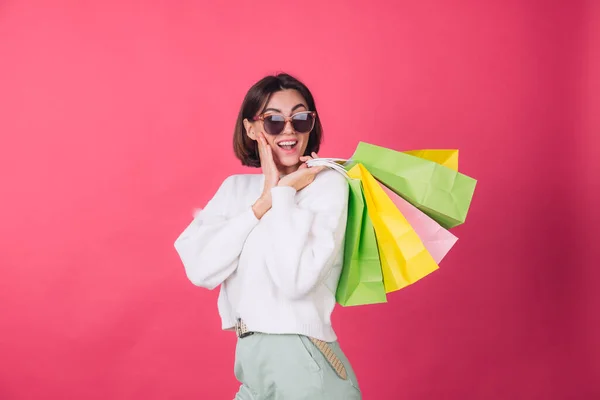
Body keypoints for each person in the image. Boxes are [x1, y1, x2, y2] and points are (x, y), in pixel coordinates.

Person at [174, 73, 361, 399]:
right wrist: (263, 201)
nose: (289, 130)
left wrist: (286, 193)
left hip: (304, 361)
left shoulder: (328, 185)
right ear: (251, 129)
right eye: (274, 121)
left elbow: (296, 281)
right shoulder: (235, 190)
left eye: (301, 119)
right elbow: (201, 270)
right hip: (250, 361)